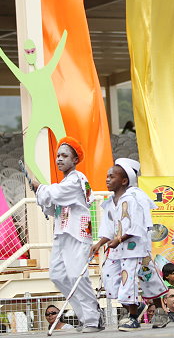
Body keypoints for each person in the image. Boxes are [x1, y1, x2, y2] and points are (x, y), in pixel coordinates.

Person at [31, 137, 103, 333]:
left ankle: (92, 319)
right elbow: (52, 206)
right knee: (57, 275)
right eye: (58, 156)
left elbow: (56, 194)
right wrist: (41, 194)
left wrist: (40, 188)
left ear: (75, 159)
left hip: (77, 233)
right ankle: (86, 316)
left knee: (76, 275)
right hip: (62, 233)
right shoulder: (64, 182)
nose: (60, 159)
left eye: (64, 156)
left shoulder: (77, 179)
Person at [91, 158, 170, 330]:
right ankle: (136, 307)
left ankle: (135, 317)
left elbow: (138, 225)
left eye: (112, 176)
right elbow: (109, 228)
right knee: (109, 276)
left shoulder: (134, 198)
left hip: (135, 249)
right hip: (117, 249)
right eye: (107, 176)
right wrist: (100, 243)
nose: (107, 180)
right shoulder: (110, 202)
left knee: (137, 278)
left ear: (125, 180)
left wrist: (119, 239)